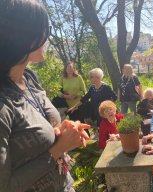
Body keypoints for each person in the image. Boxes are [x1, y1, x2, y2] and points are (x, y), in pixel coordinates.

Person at [0, 0, 90, 191]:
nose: (48, 36)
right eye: (45, 29)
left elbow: (34, 131)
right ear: (24, 36)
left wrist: (61, 132)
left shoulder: (29, 78)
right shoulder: (3, 103)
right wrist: (59, 148)